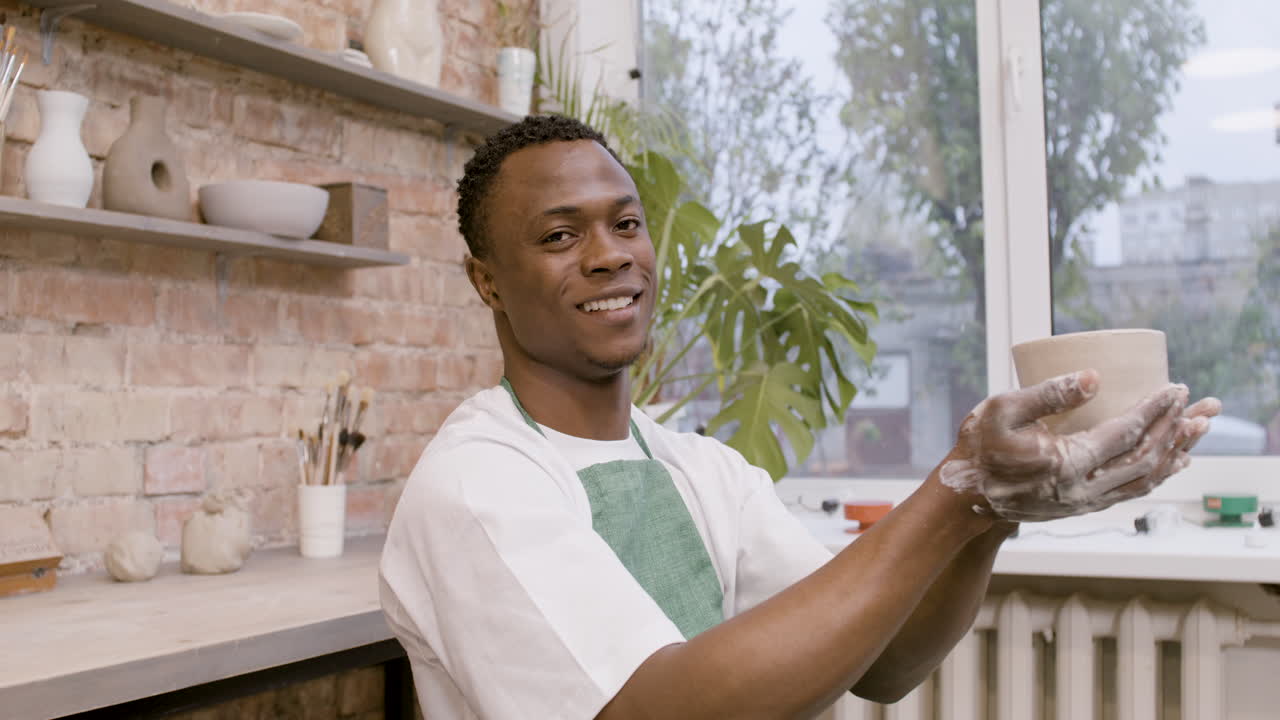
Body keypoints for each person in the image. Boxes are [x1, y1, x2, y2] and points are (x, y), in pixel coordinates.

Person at [379, 115, 1220, 719]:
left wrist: (992, 518)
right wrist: (954, 495)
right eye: (560, 235)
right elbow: (653, 709)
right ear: (486, 280)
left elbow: (886, 665)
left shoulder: (702, 472)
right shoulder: (477, 485)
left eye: (626, 223)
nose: (610, 254)